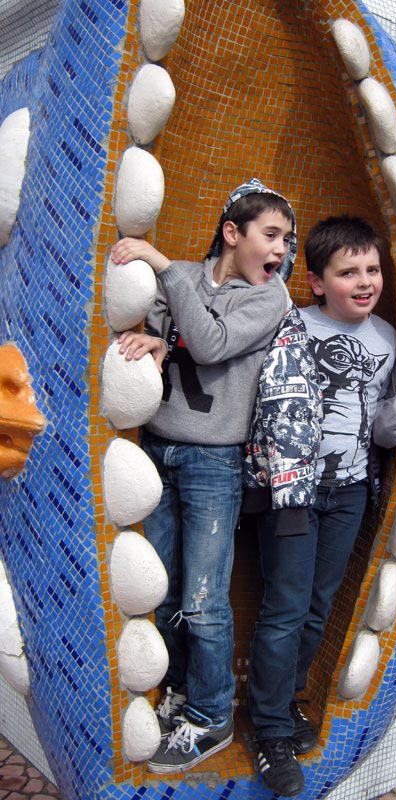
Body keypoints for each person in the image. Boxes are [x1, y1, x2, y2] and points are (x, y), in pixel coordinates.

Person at [110, 178, 296, 775]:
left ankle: (214, 716)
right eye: (272, 235)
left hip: (214, 461)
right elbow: (169, 336)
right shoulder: (185, 278)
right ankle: (184, 696)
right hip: (158, 447)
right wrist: (157, 344)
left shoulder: (269, 297)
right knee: (162, 590)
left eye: (287, 240)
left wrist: (163, 266)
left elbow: (211, 343)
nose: (282, 249)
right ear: (232, 232)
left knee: (203, 598)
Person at [247, 216, 396, 797]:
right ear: (317, 282)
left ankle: (286, 698)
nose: (365, 282)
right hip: (292, 491)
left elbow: (388, 422)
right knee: (286, 607)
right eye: (349, 273)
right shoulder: (292, 325)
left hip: (349, 491)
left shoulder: (386, 337)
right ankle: (268, 730)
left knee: (317, 606)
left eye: (372, 270)